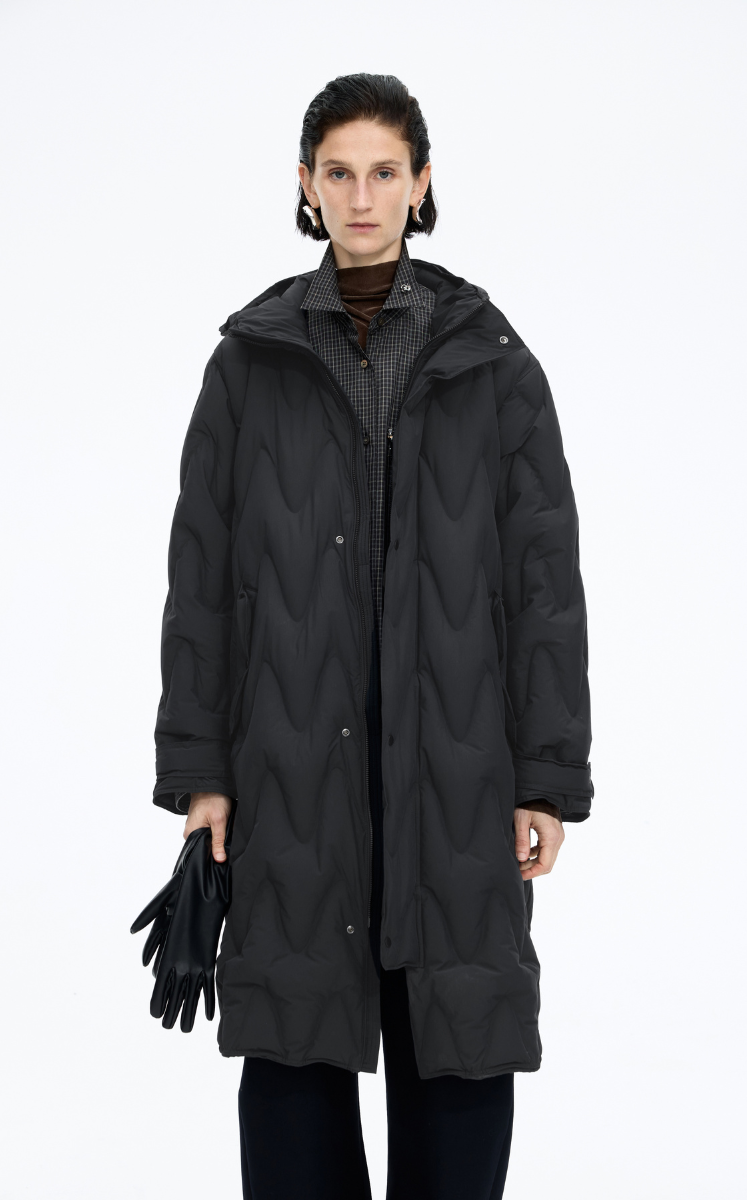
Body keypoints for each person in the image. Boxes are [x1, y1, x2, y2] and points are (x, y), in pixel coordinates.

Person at [151, 72, 593, 1199]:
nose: (361, 197)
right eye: (338, 173)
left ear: (421, 182)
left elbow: (543, 585)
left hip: (457, 764)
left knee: (459, 1043)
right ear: (305, 185)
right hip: (292, 762)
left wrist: (545, 776)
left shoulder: (495, 363)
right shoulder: (248, 363)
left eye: (384, 172)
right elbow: (201, 580)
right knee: (294, 1047)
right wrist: (202, 774)